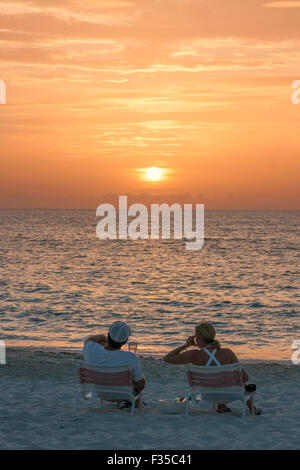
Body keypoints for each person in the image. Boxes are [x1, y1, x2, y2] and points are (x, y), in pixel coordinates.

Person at [162, 321, 261, 415]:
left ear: (199, 338)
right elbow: (245, 377)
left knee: (215, 380)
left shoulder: (194, 355)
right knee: (244, 384)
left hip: (207, 395)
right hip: (231, 395)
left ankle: (221, 406)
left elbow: (167, 358)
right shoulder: (228, 353)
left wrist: (186, 345)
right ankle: (252, 408)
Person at [83, 321, 145, 407]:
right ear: (125, 341)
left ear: (108, 335)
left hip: (98, 392)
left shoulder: (91, 349)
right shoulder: (130, 357)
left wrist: (103, 339)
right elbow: (141, 385)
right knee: (137, 382)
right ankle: (134, 405)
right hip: (123, 395)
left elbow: (90, 340)